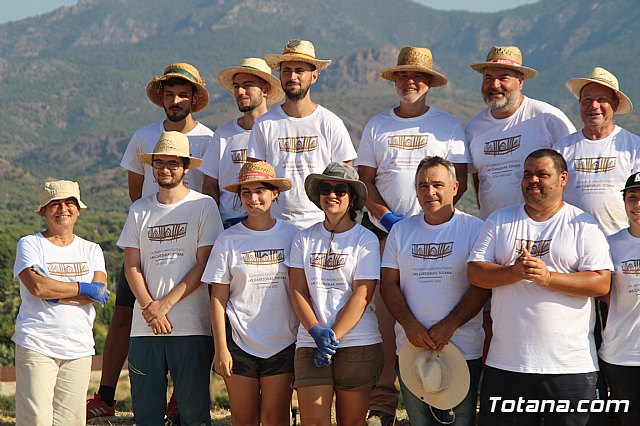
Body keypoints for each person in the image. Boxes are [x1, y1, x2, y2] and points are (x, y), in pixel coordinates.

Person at [87, 62, 214, 422]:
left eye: (183, 94)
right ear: (161, 97)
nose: (175, 99)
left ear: (194, 98)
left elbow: (212, 189)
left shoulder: (209, 139)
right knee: (125, 317)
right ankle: (106, 394)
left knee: (194, 326)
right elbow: (135, 194)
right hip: (147, 243)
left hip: (192, 238)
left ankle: (181, 400)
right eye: (170, 94)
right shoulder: (143, 136)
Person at [356, 46, 469, 425]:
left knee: (440, 303)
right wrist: (389, 219)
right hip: (388, 233)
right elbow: (365, 183)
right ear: (394, 80)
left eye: (417, 76)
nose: (410, 81)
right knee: (388, 317)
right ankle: (385, 401)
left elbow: (461, 181)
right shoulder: (377, 125)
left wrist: (432, 218)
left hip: (438, 231)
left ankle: (449, 391)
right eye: (403, 75)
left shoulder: (449, 125)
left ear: (430, 83)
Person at [467, 149, 612, 426]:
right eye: (527, 174)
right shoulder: (499, 220)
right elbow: (475, 272)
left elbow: (601, 282)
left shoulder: (582, 224)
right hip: (507, 365)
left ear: (562, 179)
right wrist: (513, 272)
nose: (533, 180)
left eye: (542, 174)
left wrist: (548, 278)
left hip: (570, 367)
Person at [117, 131, 223, 425]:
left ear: (186, 166)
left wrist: (163, 305)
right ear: (151, 167)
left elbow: (203, 265)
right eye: (159, 163)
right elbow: (131, 266)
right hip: (144, 328)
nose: (165, 169)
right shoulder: (139, 209)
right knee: (147, 414)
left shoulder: (203, 206)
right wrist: (151, 308)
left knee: (193, 413)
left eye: (173, 163)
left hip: (190, 325)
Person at [380, 157, 489, 426]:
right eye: (423, 186)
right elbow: (388, 284)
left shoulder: (475, 229)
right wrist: (409, 325)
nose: (430, 192)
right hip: (411, 349)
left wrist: (449, 325)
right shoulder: (401, 231)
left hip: (461, 347)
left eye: (437, 184)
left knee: (461, 422)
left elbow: (481, 285)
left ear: (455, 187)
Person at [203, 161, 299, 426]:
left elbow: (301, 291)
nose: (253, 198)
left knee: (275, 418)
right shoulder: (228, 239)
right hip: (239, 342)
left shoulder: (293, 236)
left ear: (275, 193)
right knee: (244, 419)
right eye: (246, 192)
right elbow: (218, 298)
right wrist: (221, 348)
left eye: (260, 191)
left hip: (283, 341)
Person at [288, 162, 383, 425]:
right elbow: (297, 290)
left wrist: (332, 338)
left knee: (350, 422)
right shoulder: (303, 239)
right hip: (310, 341)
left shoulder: (365, 239)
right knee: (314, 422)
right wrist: (316, 332)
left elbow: (362, 294)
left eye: (340, 189)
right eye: (326, 188)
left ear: (351, 197)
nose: (332, 194)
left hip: (358, 341)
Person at [13, 180, 110, 426]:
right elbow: (37, 287)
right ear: (43, 211)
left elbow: (98, 293)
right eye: (54, 204)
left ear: (78, 209)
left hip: (78, 348)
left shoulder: (92, 250)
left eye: (69, 203)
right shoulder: (30, 244)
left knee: (71, 422)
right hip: (37, 344)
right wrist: (81, 288)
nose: (62, 209)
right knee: (36, 420)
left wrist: (55, 292)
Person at [248, 39, 357, 229]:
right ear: (279, 76)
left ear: (314, 76)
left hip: (321, 224)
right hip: (276, 225)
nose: (293, 77)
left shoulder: (331, 123)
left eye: (300, 70)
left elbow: (345, 179)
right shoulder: (264, 125)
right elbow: (254, 178)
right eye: (286, 71)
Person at [466, 45, 575, 220]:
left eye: (504, 78)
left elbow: (573, 172)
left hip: (542, 229)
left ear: (520, 81)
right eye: (488, 78)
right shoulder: (473, 128)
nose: (495, 85)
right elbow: (479, 180)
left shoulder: (547, 118)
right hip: (494, 230)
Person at [201, 58, 284, 229]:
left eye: (247, 85)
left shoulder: (279, 131)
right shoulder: (224, 134)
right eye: (236, 86)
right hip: (229, 223)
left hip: (272, 222)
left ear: (265, 89)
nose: (240, 91)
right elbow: (210, 184)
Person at [555, 67, 639, 236]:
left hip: (621, 245)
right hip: (574, 244)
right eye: (587, 100)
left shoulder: (634, 146)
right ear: (579, 104)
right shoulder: (561, 149)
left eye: (602, 99)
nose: (594, 106)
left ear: (614, 105)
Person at [598, 171, 640, 426]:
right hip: (620, 354)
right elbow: (603, 292)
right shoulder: (609, 244)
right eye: (632, 198)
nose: (638, 205)